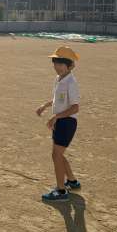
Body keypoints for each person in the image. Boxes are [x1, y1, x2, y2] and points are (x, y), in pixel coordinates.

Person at [36, 46, 81, 202]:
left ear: (70, 65)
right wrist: (45, 105)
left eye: (61, 64)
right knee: (59, 154)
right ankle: (72, 181)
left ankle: (61, 191)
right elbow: (58, 99)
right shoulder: (59, 79)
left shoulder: (71, 82)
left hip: (67, 122)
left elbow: (75, 107)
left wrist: (56, 117)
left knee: (56, 155)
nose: (57, 67)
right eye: (55, 63)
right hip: (61, 121)